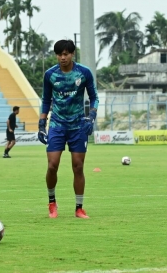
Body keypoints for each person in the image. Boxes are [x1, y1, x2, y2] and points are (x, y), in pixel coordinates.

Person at [37, 39, 98, 219]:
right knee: (52, 164)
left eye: (66, 54)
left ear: (72, 54)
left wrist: (90, 117)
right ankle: (52, 203)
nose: (62, 58)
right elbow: (46, 100)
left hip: (78, 125)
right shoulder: (50, 75)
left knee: (78, 167)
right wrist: (42, 124)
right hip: (57, 124)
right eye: (59, 54)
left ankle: (79, 208)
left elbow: (93, 97)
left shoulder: (83, 73)